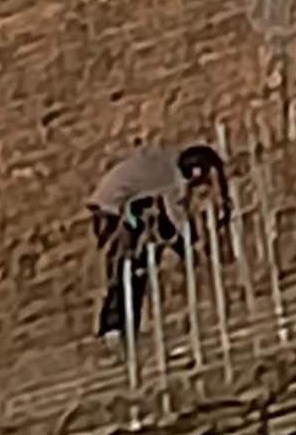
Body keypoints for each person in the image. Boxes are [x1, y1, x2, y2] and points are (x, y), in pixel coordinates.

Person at [91, 135, 229, 335]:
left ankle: (120, 318)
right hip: (113, 207)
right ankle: (114, 322)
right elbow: (177, 215)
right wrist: (194, 244)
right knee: (125, 263)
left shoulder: (167, 159)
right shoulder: (171, 179)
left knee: (133, 257)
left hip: (112, 199)